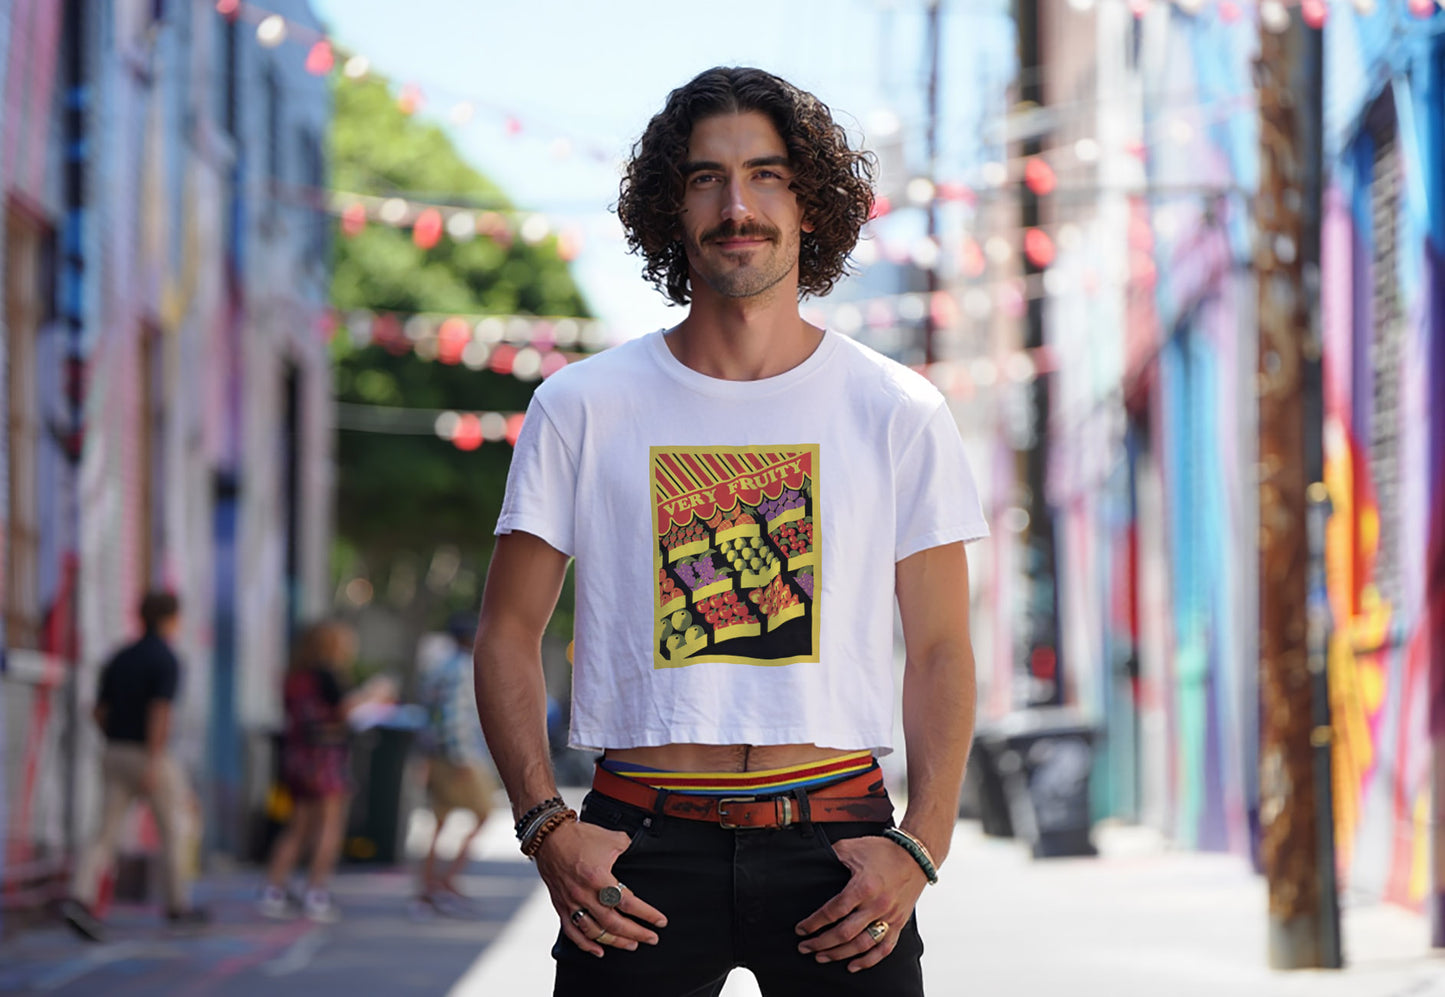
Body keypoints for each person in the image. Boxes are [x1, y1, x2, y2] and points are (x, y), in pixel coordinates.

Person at [473, 66, 988, 996]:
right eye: (706, 177)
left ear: (812, 204)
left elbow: (943, 646)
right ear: (671, 209)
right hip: (636, 851)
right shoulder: (581, 405)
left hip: (839, 848)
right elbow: (507, 632)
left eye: (767, 174)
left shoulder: (896, 408)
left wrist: (921, 844)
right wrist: (545, 825)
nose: (736, 204)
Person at [59, 591, 209, 941]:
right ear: (171, 618)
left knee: (103, 832)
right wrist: (153, 760)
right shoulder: (167, 659)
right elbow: (160, 712)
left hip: (114, 750)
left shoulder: (119, 657)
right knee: (174, 829)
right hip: (148, 753)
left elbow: (98, 710)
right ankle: (177, 905)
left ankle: (79, 898)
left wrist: (114, 736)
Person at [257, 619, 394, 922]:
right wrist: (375, 694)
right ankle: (316, 892)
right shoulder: (328, 675)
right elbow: (347, 712)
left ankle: (273, 889)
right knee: (329, 827)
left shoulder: (294, 677)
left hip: (296, 759)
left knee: (297, 827)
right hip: (326, 759)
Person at [413, 613, 497, 912]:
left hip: (438, 753)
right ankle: (444, 881)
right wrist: (462, 757)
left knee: (439, 821)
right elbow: (454, 716)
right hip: (458, 755)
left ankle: (430, 885)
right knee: (483, 813)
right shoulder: (462, 668)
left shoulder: (439, 666)